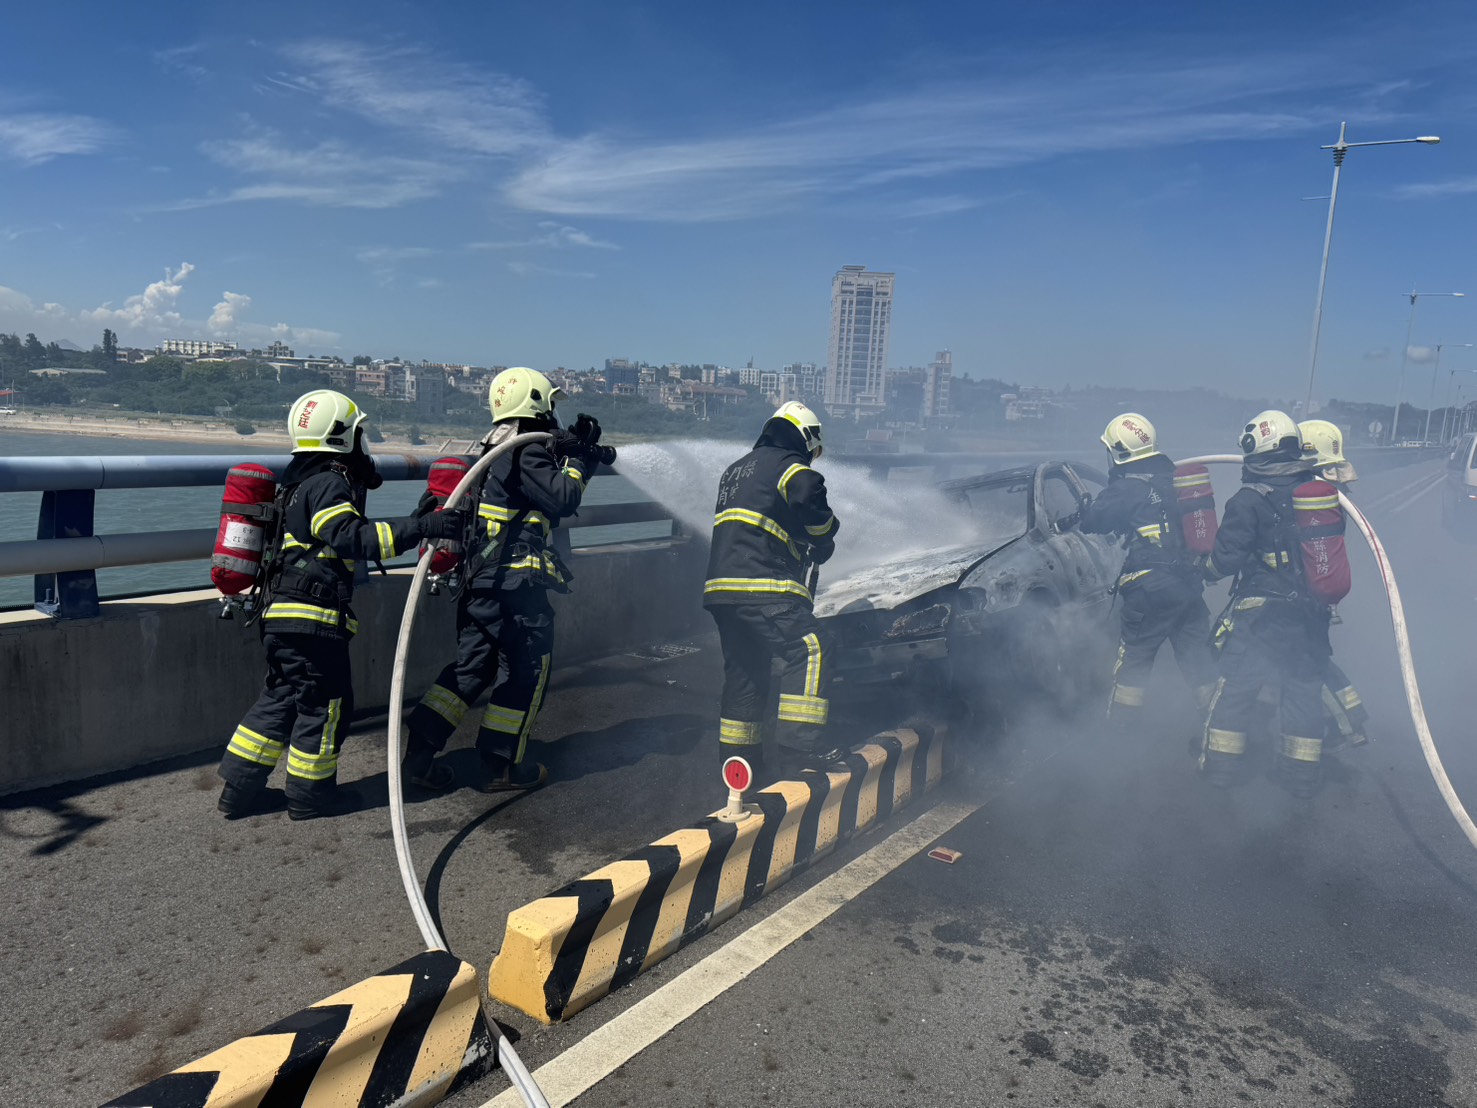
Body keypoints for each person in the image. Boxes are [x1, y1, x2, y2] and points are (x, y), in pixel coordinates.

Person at [217, 390, 464, 821]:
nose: (362, 443)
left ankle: (238, 792)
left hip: (280, 616)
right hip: (312, 620)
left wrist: (416, 519)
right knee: (325, 705)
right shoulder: (329, 482)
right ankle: (310, 797)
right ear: (342, 436)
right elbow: (353, 538)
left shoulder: (296, 484)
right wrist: (424, 526)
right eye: (358, 434)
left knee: (280, 698)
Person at [404, 368, 608, 792]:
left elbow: (534, 498)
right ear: (537, 404)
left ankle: (418, 756)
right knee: (527, 670)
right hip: (515, 589)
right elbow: (563, 498)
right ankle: (501, 767)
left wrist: (575, 452)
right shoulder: (525, 451)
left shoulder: (492, 448)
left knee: (471, 669)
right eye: (550, 406)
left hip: (480, 585)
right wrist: (577, 461)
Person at [703, 401, 841, 782]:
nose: (811, 458)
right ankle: (801, 747)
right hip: (761, 584)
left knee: (746, 671)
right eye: (813, 450)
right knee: (811, 646)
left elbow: (762, 522)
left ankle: (740, 764)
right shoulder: (789, 465)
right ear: (806, 437)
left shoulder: (737, 470)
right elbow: (809, 497)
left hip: (723, 591)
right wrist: (825, 535)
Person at [1200, 410, 1331, 796]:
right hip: (1310, 614)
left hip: (1262, 616)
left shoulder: (1248, 500)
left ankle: (1221, 771)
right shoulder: (1315, 494)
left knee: (1238, 686)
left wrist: (1204, 571)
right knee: (1303, 690)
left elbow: (1225, 560)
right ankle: (1302, 778)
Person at [1082, 413, 1217, 725]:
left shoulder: (1127, 487)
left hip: (1150, 590)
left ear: (1118, 451)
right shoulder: (1175, 481)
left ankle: (1122, 734)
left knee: (1135, 661)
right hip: (1188, 588)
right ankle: (1218, 727)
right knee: (1198, 661)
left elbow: (1092, 520)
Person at [1299, 419, 1370, 752]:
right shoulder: (1332, 493)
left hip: (1305, 594)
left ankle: (1348, 725)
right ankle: (1350, 716)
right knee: (1307, 657)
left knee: (1306, 661)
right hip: (1319, 591)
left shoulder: (1310, 493)